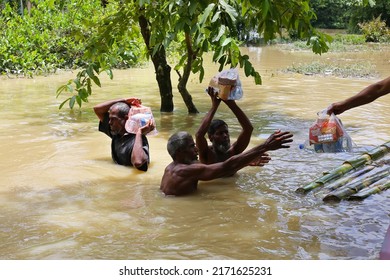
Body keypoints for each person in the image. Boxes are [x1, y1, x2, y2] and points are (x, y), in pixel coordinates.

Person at [160, 130, 293, 196]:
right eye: (191, 146)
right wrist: (265, 146)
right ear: (179, 153)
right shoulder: (185, 171)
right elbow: (226, 166)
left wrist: (246, 162)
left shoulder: (170, 168)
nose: (196, 149)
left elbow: (218, 169)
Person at [195, 87, 269, 167]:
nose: (225, 135)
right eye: (220, 133)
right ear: (211, 137)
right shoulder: (206, 154)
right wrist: (214, 107)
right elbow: (199, 135)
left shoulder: (234, 151)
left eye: (226, 132)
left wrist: (231, 103)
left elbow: (248, 129)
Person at [93, 97, 155, 171]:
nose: (110, 122)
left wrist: (139, 133)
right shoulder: (116, 132)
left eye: (113, 119)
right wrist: (124, 100)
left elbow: (138, 162)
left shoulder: (138, 140)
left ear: (126, 118)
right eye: (109, 119)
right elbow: (97, 109)